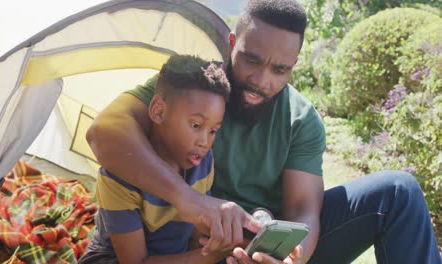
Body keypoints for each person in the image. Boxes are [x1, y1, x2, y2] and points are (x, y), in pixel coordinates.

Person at [86, 0, 442, 263]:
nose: (261, 81)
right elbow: (104, 133)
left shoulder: (301, 120)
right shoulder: (190, 87)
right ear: (231, 44)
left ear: (294, 66)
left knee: (398, 191)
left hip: (262, 248)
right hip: (191, 245)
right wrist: (191, 201)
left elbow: (304, 211)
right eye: (252, 60)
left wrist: (292, 257)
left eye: (280, 70)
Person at [79, 55, 233, 263]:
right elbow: (135, 262)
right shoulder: (118, 175)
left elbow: (196, 242)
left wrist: (225, 247)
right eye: (196, 125)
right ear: (158, 111)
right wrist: (214, 255)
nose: (205, 142)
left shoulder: (203, 163)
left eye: (214, 130)